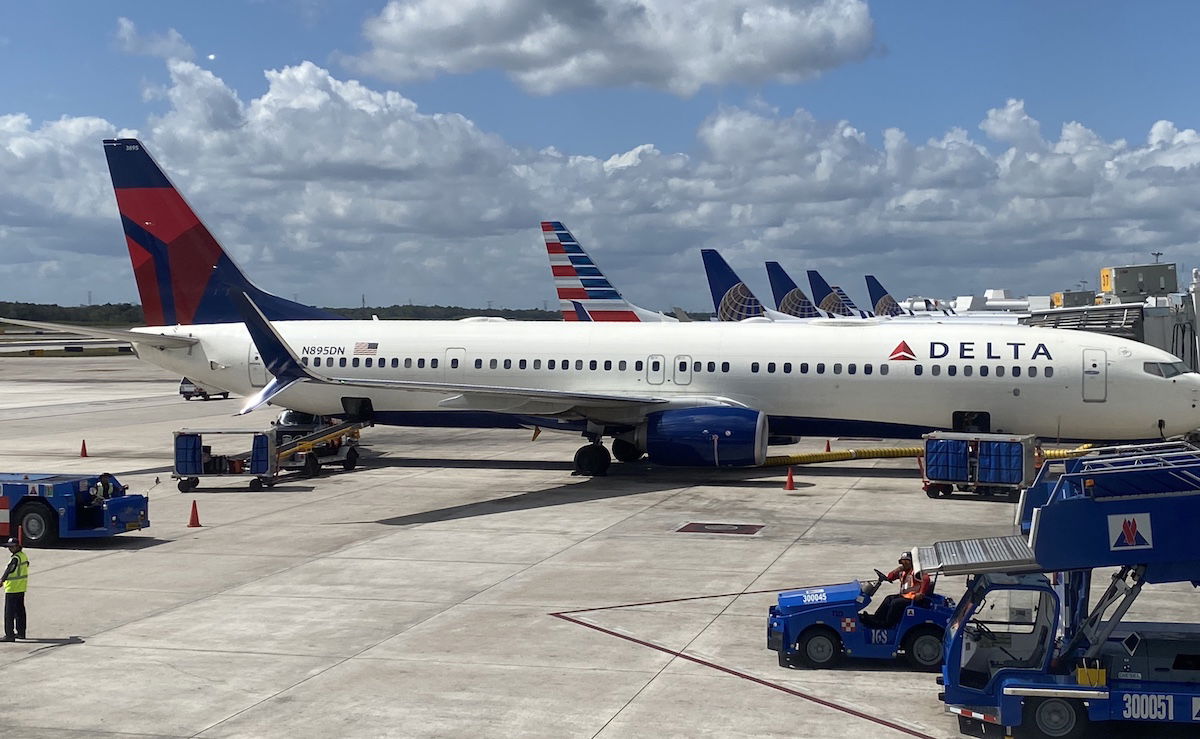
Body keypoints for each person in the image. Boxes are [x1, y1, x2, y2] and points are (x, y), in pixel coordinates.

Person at [861, 551, 933, 629]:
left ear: (912, 562)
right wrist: (897, 569)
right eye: (903, 561)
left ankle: (887, 624)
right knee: (888, 599)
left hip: (913, 599)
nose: (904, 563)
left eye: (907, 561)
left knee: (895, 603)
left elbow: (926, 579)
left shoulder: (916, 572)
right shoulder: (903, 571)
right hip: (905, 596)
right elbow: (890, 577)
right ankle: (876, 618)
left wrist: (921, 593)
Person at [0, 537, 29, 641]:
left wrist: (2, 580)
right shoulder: (23, 556)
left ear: (17, 546)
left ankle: (9, 635)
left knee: (9, 613)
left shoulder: (15, 558)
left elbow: (9, 570)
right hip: (21, 588)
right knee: (20, 611)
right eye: (8, 547)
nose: (9, 549)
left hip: (12, 589)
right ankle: (21, 633)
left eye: (11, 547)